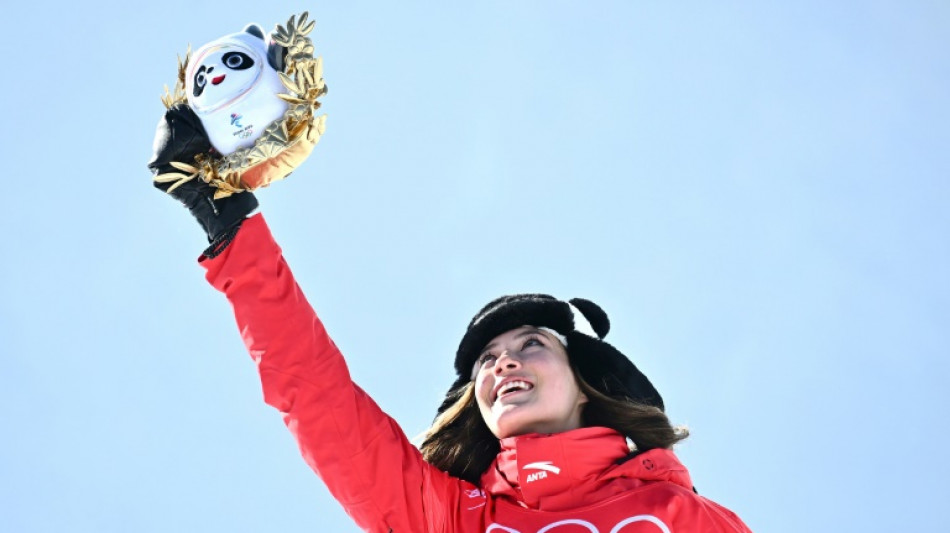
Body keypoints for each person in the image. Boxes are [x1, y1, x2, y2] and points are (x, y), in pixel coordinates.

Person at [150, 104, 753, 532]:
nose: (503, 363)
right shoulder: (446, 520)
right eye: (487, 361)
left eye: (532, 343)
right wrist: (229, 226)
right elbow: (314, 395)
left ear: (587, 381)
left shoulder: (684, 516)